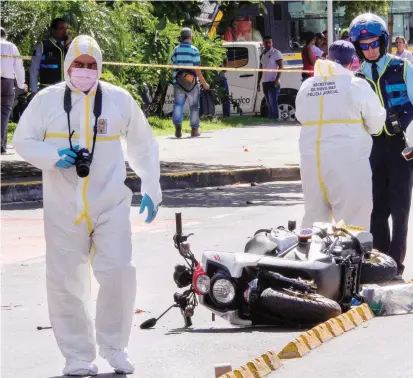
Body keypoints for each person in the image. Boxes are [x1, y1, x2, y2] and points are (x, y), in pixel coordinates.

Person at [13, 35, 162, 376]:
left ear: (100, 67)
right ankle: (78, 356)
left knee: (120, 273)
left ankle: (115, 347)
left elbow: (143, 145)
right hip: (63, 207)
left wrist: (152, 188)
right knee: (66, 282)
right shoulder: (46, 101)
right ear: (67, 66)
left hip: (110, 203)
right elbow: (23, 140)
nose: (83, 71)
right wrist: (53, 157)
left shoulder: (118, 100)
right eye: (77, 65)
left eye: (90, 65)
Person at [295, 40, 386, 230]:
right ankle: (353, 260)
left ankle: (310, 258)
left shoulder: (308, 86)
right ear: (352, 60)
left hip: (312, 163)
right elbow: (377, 124)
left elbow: (300, 116)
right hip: (347, 163)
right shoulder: (356, 85)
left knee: (314, 222)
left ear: (327, 58)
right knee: (353, 222)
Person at [349, 13, 413, 279]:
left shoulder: (403, 67)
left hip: (402, 147)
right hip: (371, 148)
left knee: (400, 210)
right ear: (357, 48)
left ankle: (396, 266)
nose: (370, 49)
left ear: (384, 42)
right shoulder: (355, 77)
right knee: (375, 209)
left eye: (374, 43)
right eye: (364, 46)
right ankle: (380, 263)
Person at [170, 27, 209, 138]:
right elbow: (197, 69)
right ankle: (194, 130)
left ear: (181, 38)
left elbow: (172, 67)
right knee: (194, 107)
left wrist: (174, 79)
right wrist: (204, 83)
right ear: (190, 37)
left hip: (178, 82)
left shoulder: (176, 50)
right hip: (192, 84)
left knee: (178, 104)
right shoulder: (194, 50)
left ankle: (178, 125)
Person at [0, 27, 27, 154]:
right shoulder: (11, 47)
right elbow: (19, 66)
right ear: (5, 36)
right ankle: (1, 144)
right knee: (4, 113)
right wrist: (21, 84)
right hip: (7, 82)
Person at [30, 18, 71, 97]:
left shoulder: (70, 47)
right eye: (61, 28)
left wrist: (69, 45)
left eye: (65, 28)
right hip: (47, 90)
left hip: (66, 91)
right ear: (53, 30)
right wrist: (34, 91)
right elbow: (33, 70)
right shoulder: (42, 46)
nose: (65, 31)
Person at [257, 36, 283, 119]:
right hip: (265, 82)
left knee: (273, 103)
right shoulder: (262, 55)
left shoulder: (276, 53)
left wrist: (277, 79)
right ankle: (271, 120)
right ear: (263, 43)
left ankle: (275, 120)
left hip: (273, 82)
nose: (268, 44)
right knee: (268, 104)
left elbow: (281, 67)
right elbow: (260, 70)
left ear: (272, 43)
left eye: (269, 42)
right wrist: (258, 83)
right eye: (266, 42)